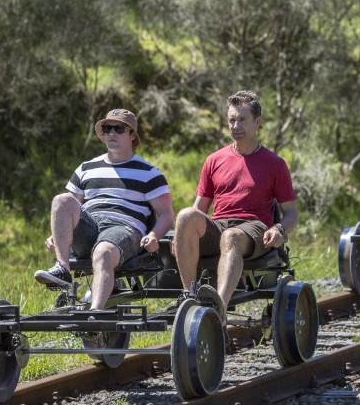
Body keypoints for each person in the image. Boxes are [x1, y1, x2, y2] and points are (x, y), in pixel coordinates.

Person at [173, 90, 298, 324]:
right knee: (185, 215)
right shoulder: (214, 160)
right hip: (219, 226)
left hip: (254, 229)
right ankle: (189, 296)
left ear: (257, 122)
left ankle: (218, 308)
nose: (235, 125)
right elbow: (199, 209)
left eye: (242, 119)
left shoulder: (275, 164)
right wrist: (182, 233)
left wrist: (279, 230)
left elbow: (292, 214)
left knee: (231, 236)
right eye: (231, 120)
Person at [34, 109, 173, 311]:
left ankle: (95, 315)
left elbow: (167, 213)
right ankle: (62, 270)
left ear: (132, 135)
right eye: (107, 128)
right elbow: (69, 209)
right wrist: (56, 235)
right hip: (91, 226)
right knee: (61, 200)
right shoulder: (86, 168)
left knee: (104, 251)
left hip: (125, 228)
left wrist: (153, 236)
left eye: (118, 128)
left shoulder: (149, 173)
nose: (112, 133)